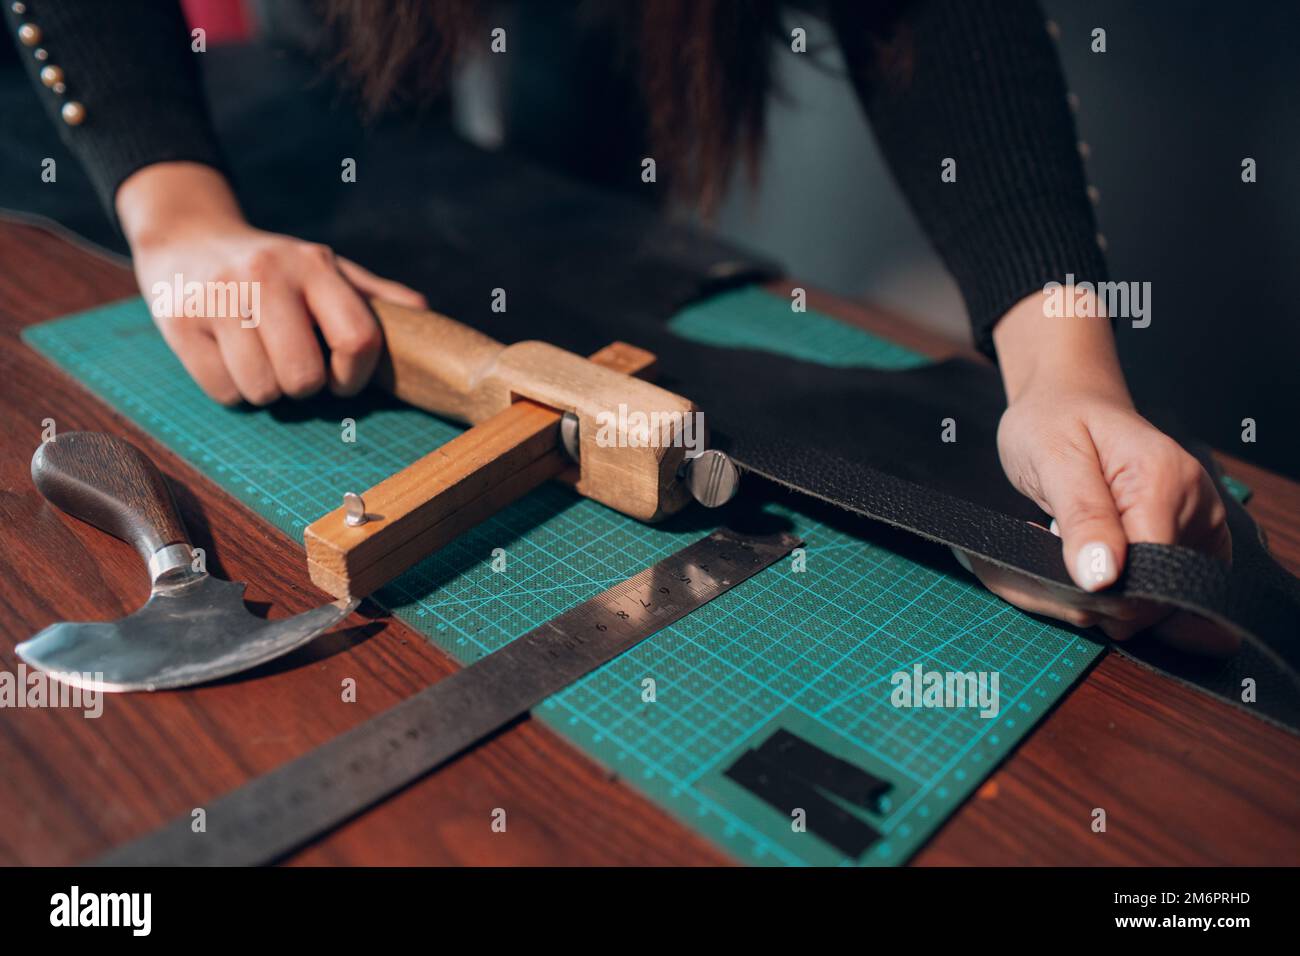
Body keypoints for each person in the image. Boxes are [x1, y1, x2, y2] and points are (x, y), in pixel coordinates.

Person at [5, 0, 1232, 650]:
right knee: (355, 92)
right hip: (288, 108)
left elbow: (932, 18)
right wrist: (175, 209)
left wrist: (1065, 366)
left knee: (567, 179)